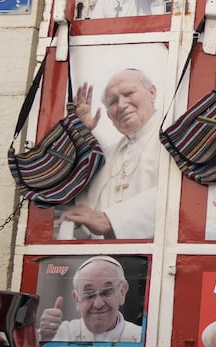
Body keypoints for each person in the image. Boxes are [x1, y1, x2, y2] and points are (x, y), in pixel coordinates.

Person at [55, 68, 162, 240]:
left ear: (152, 93)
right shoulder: (104, 155)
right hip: (99, 257)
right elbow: (67, 198)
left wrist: (113, 220)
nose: (121, 105)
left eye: (129, 93)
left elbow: (181, 196)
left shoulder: (177, 140)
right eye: (112, 102)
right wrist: (78, 138)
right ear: (109, 116)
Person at [38, 256, 142, 343]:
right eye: (89, 294)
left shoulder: (141, 337)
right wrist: (45, 340)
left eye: (107, 292)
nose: (98, 304)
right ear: (77, 299)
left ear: (122, 292)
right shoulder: (61, 333)